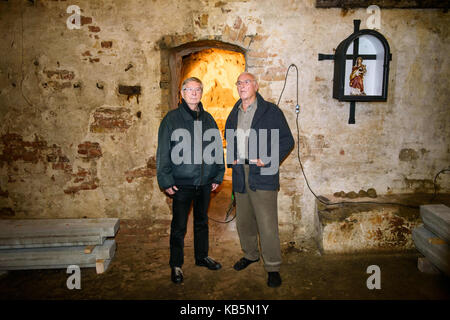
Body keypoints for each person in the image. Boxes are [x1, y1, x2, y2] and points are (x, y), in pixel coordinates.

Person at [225, 72, 294, 287]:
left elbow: (287, 140)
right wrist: (232, 160)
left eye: (246, 82)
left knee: (266, 223)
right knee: (244, 221)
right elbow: (229, 137)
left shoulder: (271, 111)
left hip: (262, 173)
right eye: (239, 82)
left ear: (256, 85)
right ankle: (251, 254)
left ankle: (272, 266)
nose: (242, 86)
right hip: (239, 173)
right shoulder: (234, 111)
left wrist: (268, 159)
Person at [157, 77, 225, 284]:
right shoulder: (171, 119)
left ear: (201, 93)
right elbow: (163, 152)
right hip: (182, 183)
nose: (194, 93)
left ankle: (202, 257)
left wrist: (218, 174)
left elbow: (216, 149)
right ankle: (176, 265)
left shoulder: (208, 119)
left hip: (204, 182)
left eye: (198, 89)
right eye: (190, 89)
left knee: (202, 222)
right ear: (182, 93)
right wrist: (166, 180)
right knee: (179, 226)